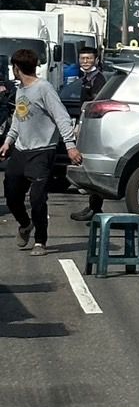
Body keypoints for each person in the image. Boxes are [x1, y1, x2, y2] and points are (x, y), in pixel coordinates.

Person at [0, 49, 82, 256]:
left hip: (42, 151)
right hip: (21, 149)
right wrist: (8, 141)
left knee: (37, 198)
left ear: (16, 68)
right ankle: (25, 224)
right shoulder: (21, 91)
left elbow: (61, 117)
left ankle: (40, 241)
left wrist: (70, 146)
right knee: (11, 195)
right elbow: (18, 120)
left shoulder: (44, 89)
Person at [70, 48, 109, 222]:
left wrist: (81, 125)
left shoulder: (98, 79)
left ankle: (95, 207)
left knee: (90, 164)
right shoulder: (86, 78)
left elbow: (93, 103)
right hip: (86, 122)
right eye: (82, 58)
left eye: (88, 58)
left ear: (96, 60)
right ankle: (94, 205)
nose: (85, 61)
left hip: (93, 125)